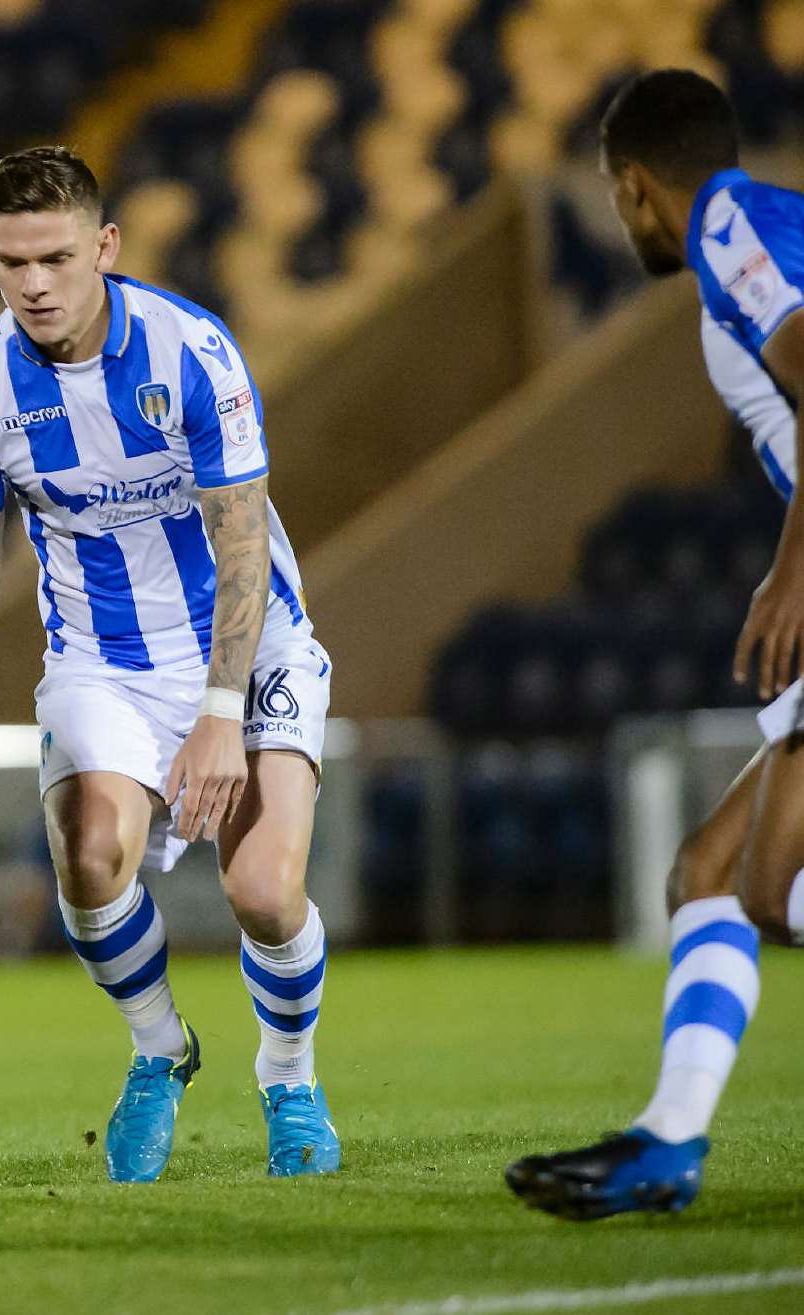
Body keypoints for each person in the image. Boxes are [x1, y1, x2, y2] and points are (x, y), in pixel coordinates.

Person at [0, 146, 338, 1182]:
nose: (36, 284)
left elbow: (240, 536)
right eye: (14, 262)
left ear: (104, 247)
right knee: (90, 853)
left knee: (262, 891)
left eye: (58, 258)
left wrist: (217, 709)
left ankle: (287, 1075)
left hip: (244, 646)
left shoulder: (190, 352)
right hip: (100, 662)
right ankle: (159, 1049)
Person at [506, 68, 804, 1221]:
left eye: (614, 195)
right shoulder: (772, 228)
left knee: (773, 888)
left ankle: (668, 1146)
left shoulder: (731, 223)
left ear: (633, 187)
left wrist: (788, 576)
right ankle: (667, 1144)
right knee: (708, 874)